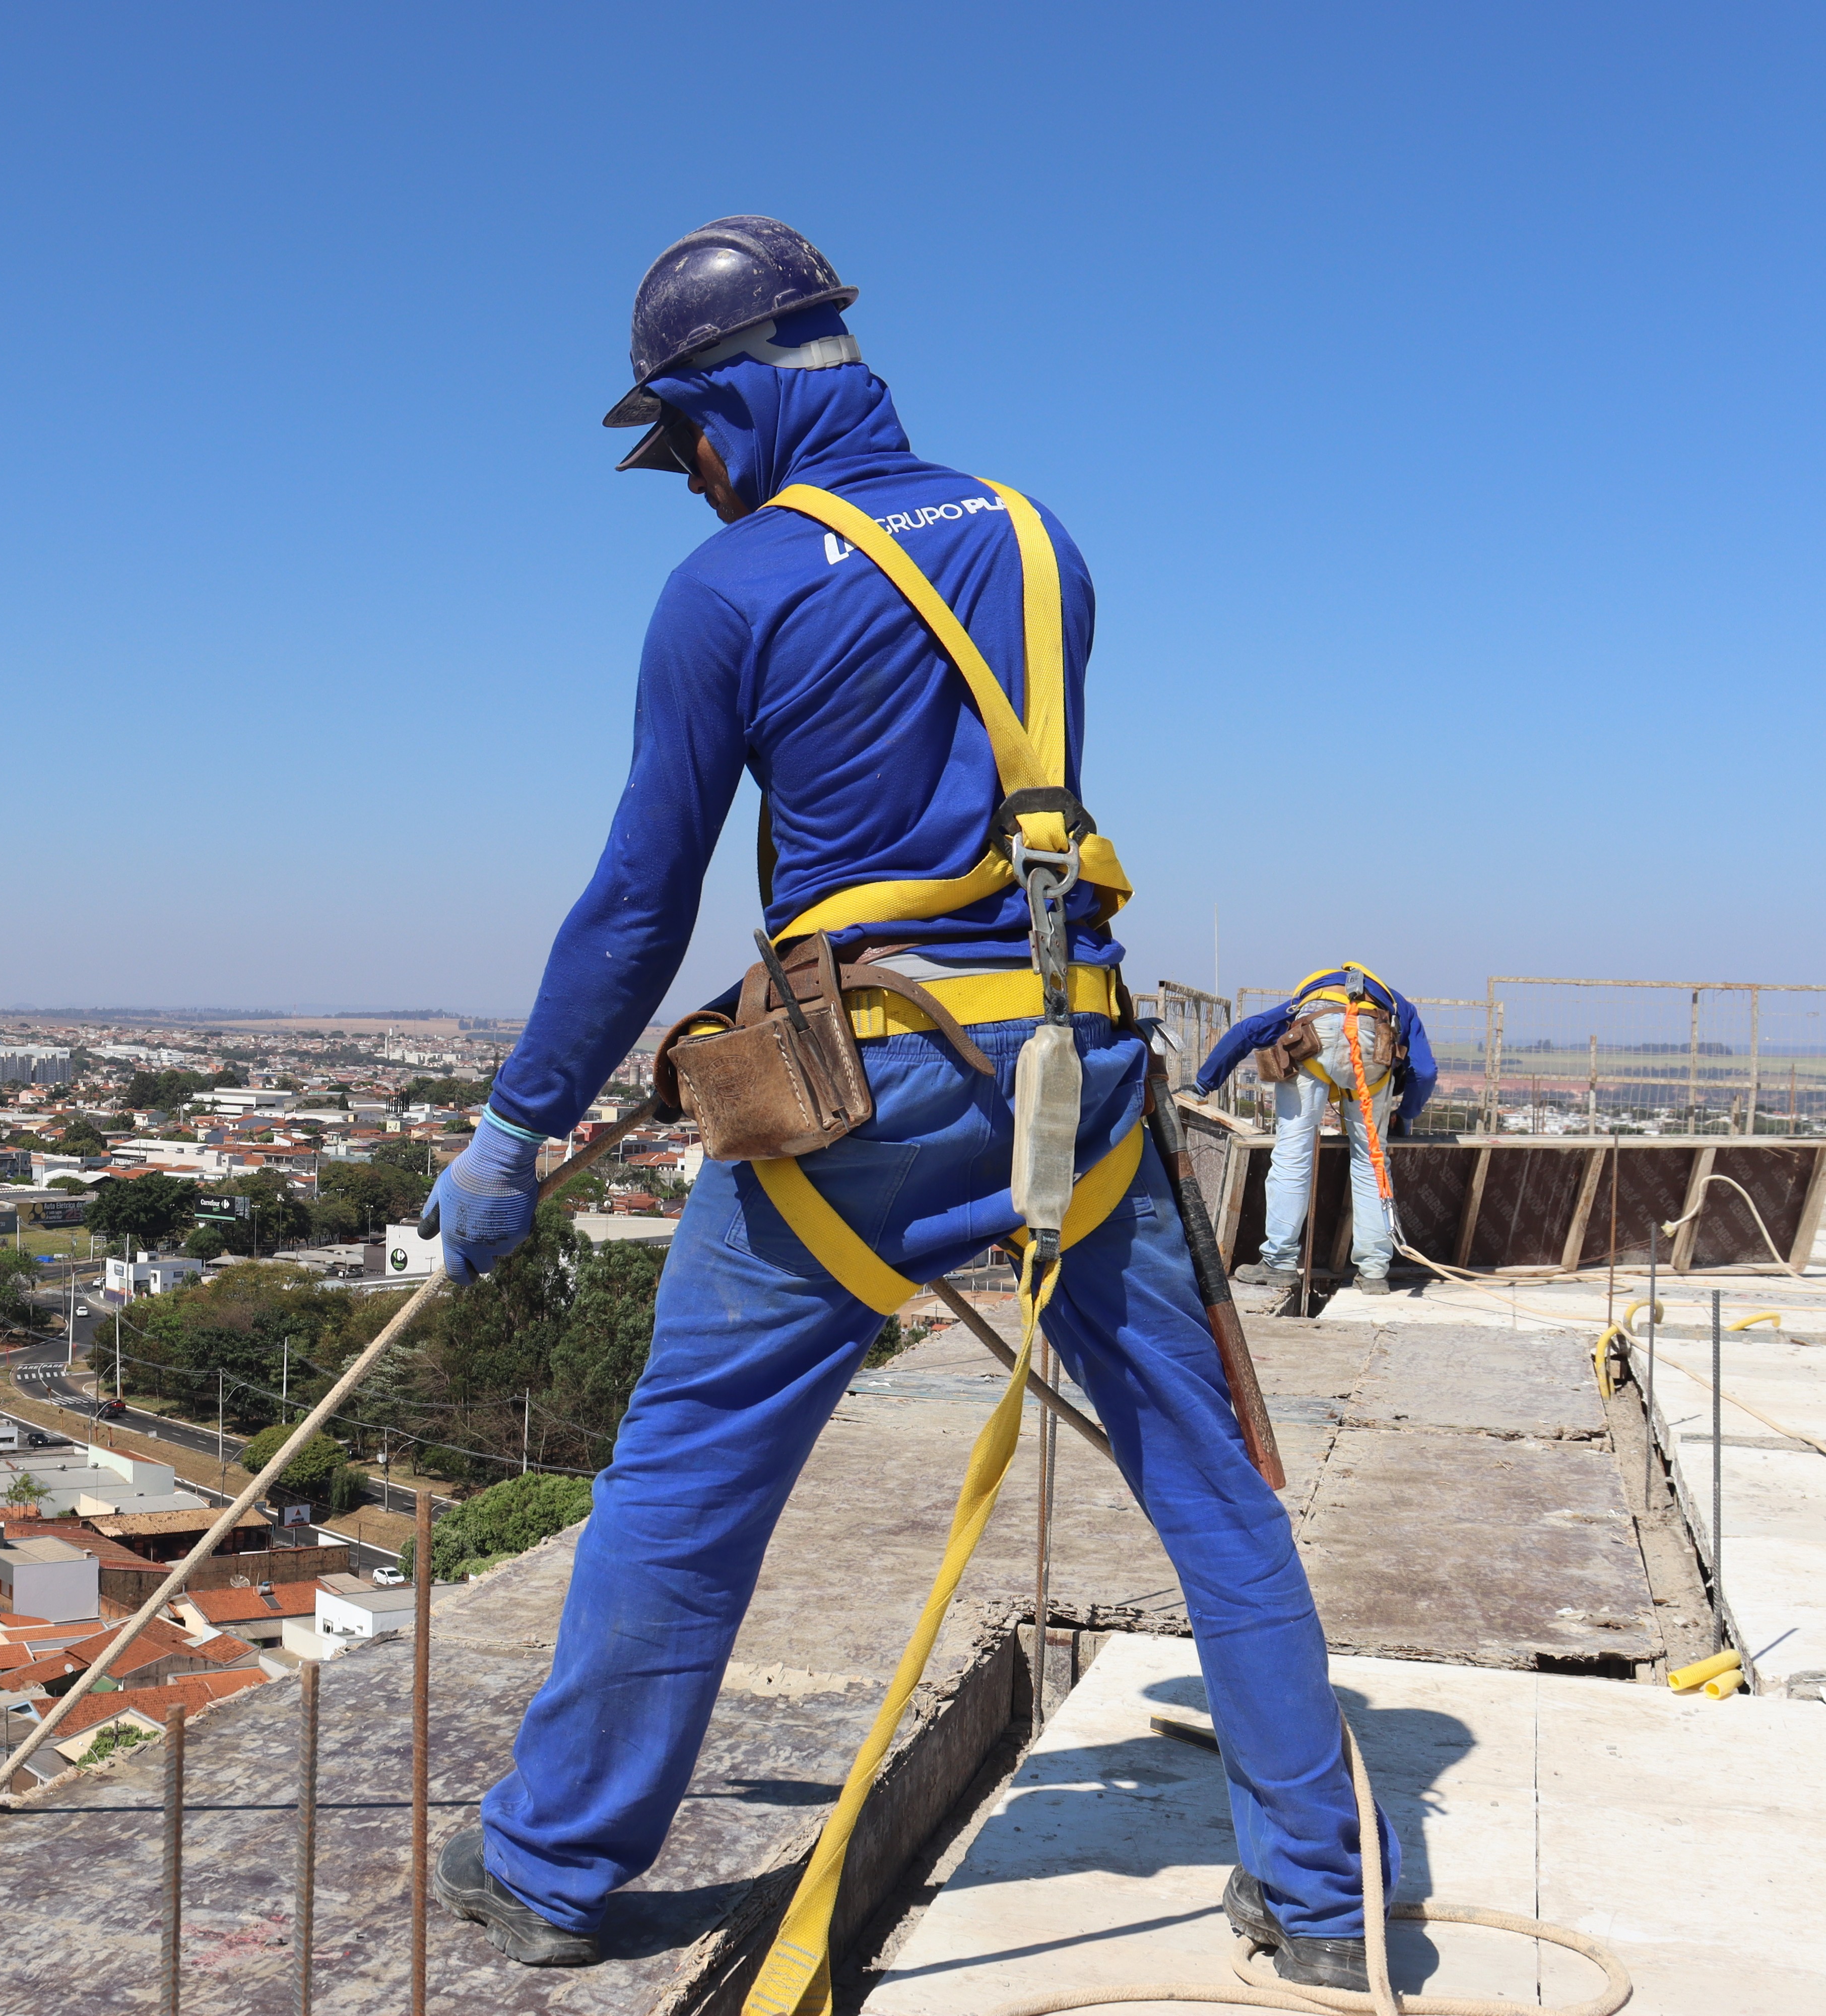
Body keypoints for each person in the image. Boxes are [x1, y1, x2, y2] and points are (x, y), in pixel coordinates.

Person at [420, 218, 1390, 1991]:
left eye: (681, 441)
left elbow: (639, 900)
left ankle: (552, 1863)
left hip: (861, 1088)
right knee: (1213, 1486)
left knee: (684, 1480)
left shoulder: (732, 589)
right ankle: (1324, 1897)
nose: (690, 479)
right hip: (1071, 1069)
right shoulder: (1038, 538)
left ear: (725, 396)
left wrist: (514, 1127)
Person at [1197, 965, 1437, 1295]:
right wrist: (1406, 1115)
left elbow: (1246, 1032)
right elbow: (1425, 1072)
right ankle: (1374, 1273)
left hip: (1312, 1035)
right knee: (1372, 1163)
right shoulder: (1397, 1005)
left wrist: (1203, 1084)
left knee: (1293, 1154)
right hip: (1375, 1041)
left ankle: (1280, 1263)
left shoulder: (1309, 998)